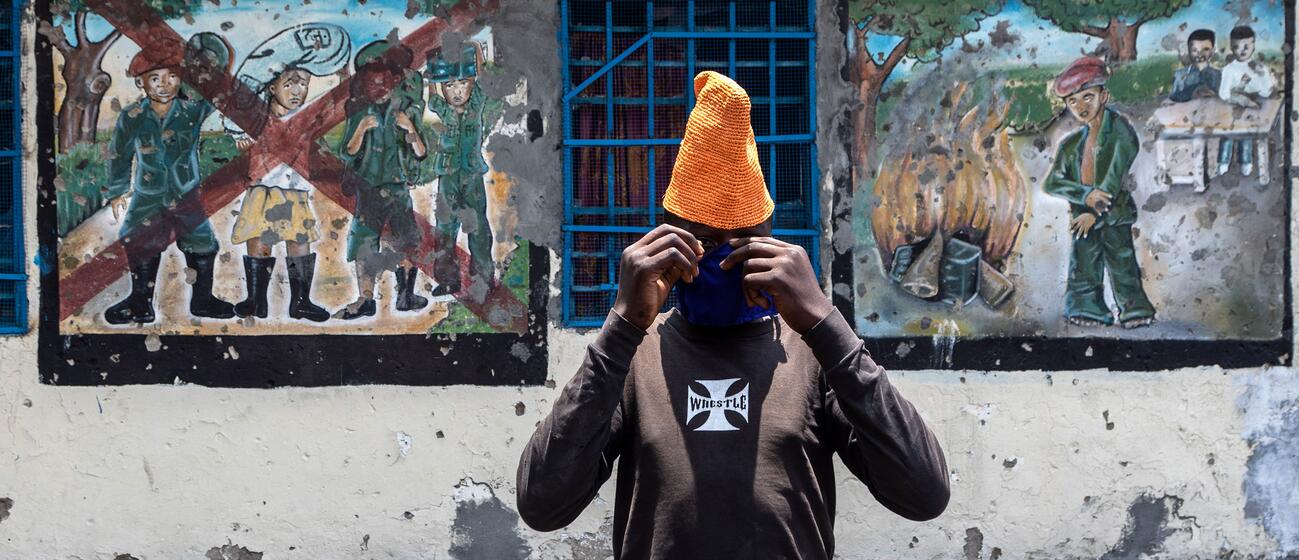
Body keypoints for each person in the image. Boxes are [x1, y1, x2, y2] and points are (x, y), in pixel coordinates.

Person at [516, 71, 949, 558]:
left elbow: (925, 494)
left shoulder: (811, 354)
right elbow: (541, 504)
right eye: (699, 239)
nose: (719, 260)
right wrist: (622, 325)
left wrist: (826, 324)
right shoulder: (635, 356)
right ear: (666, 242)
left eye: (738, 240)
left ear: (768, 241)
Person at [103, 35, 235, 324]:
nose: (164, 84)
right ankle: (140, 303)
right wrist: (117, 191)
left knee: (202, 242)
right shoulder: (133, 116)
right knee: (139, 240)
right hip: (148, 192)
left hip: (185, 191)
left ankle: (202, 300)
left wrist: (215, 63)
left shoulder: (191, 111)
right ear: (141, 82)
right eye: (155, 78)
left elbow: (218, 93)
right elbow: (119, 154)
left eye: (172, 77)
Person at [227, 23, 351, 322]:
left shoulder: (305, 117)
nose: (298, 90)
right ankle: (256, 300)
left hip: (294, 188)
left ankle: (301, 302)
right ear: (272, 86)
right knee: (259, 239)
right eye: (291, 83)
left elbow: (340, 104)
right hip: (263, 187)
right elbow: (231, 114)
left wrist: (344, 76)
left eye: (304, 83)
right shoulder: (254, 117)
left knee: (299, 241)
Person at [1044, 57, 1155, 329]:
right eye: (1073, 102)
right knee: (1084, 264)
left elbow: (1112, 179)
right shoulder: (1070, 145)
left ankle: (1134, 308)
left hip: (1113, 214)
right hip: (1083, 216)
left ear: (1103, 95)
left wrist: (1095, 210)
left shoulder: (1120, 131)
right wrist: (1084, 196)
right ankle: (1086, 307)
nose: (1081, 107)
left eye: (1087, 97)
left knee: (1122, 263)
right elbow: (1052, 183)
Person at [338, 40, 430, 319]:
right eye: (371, 83)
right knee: (364, 242)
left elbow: (421, 151)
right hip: (368, 187)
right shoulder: (360, 113)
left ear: (395, 82)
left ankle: (405, 294)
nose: (378, 89)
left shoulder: (406, 111)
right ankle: (365, 298)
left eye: (383, 82)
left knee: (406, 239)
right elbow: (347, 152)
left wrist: (409, 127)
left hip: (397, 185)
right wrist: (361, 131)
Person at [424, 42, 505, 298]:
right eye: (450, 85)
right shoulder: (443, 109)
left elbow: (481, 78)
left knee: (478, 228)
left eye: (462, 84)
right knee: (445, 227)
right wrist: (432, 74)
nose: (457, 91)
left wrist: (477, 53)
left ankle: (483, 278)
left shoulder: (476, 105)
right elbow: (432, 95)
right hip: (447, 175)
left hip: (471, 176)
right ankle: (448, 280)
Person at [1217, 25, 1276, 178]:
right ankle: (1223, 162)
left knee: (1247, 133)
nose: (1242, 50)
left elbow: (1266, 91)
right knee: (1227, 132)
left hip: (1254, 109)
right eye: (1237, 47)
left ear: (1253, 45)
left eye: (1246, 46)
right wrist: (1239, 91)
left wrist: (1262, 75)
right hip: (1233, 108)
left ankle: (1245, 161)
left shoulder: (1260, 67)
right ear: (1231, 47)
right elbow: (1224, 94)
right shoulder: (1229, 70)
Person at [1168, 29, 1221, 103]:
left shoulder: (1218, 75)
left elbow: (1224, 97)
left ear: (1212, 51)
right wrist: (1191, 94)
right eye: (1195, 50)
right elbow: (1173, 97)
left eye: (1205, 49)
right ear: (1189, 51)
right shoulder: (1180, 74)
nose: (1199, 54)